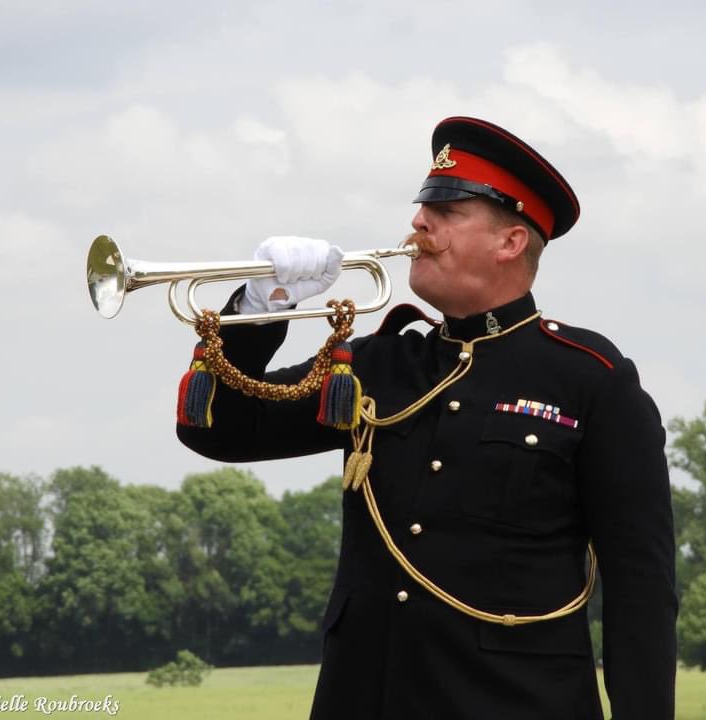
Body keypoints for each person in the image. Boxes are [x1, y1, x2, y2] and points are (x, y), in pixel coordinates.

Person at [177, 116, 677, 720]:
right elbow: (220, 429)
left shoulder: (590, 379)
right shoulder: (378, 362)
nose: (418, 222)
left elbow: (641, 589)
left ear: (510, 242)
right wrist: (261, 306)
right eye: (422, 206)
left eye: (446, 210)